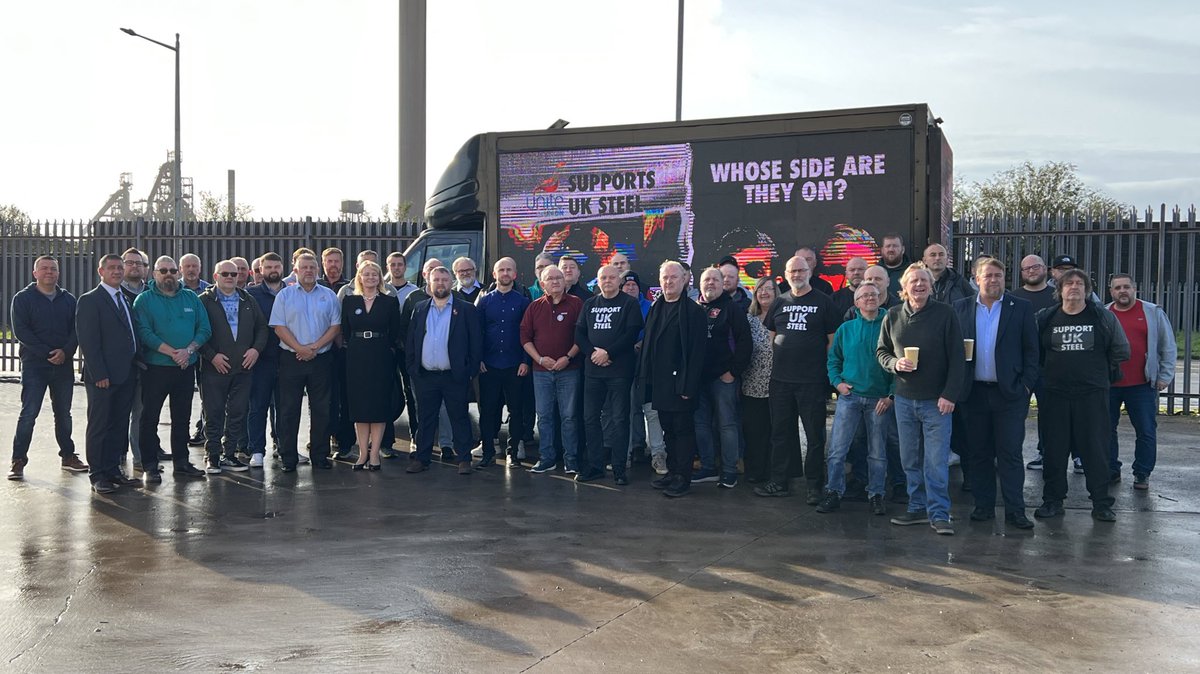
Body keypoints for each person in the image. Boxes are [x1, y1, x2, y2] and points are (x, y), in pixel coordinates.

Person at [1034, 269, 1129, 522]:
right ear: (1060, 290)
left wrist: (1098, 372)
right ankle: (1052, 501)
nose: (1074, 287)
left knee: (1095, 450)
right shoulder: (1045, 317)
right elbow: (1036, 352)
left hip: (1092, 395)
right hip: (1055, 395)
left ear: (1087, 290)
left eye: (1079, 283)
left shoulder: (1102, 317)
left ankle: (1101, 504)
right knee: (1054, 451)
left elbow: (1121, 350)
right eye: (1069, 283)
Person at [877, 263, 965, 535]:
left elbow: (958, 358)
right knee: (910, 460)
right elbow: (882, 351)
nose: (919, 285)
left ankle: (939, 513)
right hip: (904, 400)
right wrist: (895, 364)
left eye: (923, 280)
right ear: (903, 287)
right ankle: (916, 507)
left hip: (937, 402)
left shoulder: (945, 314)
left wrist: (949, 394)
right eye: (913, 281)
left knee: (936, 462)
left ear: (931, 285)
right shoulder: (893, 315)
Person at [952, 257, 1039, 529]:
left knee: (1010, 453)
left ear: (1004, 279)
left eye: (998, 275)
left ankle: (1015, 511)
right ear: (977, 279)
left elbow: (1032, 351)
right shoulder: (960, 308)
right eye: (988, 275)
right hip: (974, 393)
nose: (993, 280)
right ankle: (983, 506)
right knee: (978, 453)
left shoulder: (1021, 308)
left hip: (1010, 394)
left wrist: (1026, 386)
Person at [755, 255, 840, 502]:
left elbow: (832, 342)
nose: (797, 275)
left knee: (815, 436)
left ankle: (814, 486)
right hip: (781, 380)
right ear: (786, 274)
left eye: (801, 270)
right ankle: (779, 482)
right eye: (792, 271)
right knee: (780, 433)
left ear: (809, 272)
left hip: (811, 381)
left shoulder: (824, 302)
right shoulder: (779, 302)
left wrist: (825, 373)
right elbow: (772, 335)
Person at [133, 256, 213, 482]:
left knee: (182, 418)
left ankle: (182, 463)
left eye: (172, 270)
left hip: (185, 368)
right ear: (154, 274)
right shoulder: (144, 300)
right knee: (149, 418)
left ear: (178, 273)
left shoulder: (191, 297)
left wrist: (188, 351)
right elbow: (144, 332)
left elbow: (204, 328)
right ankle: (149, 465)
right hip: (155, 368)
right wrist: (173, 353)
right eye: (163, 270)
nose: (168, 274)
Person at [818, 283, 893, 516]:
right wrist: (837, 383)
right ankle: (833, 492)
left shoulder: (891, 325)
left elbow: (899, 362)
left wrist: (890, 394)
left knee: (877, 452)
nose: (870, 298)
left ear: (881, 298)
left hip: (879, 400)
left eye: (874, 294)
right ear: (856, 302)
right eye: (864, 295)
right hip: (850, 397)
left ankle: (876, 494)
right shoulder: (846, 329)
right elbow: (833, 360)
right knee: (837, 449)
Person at [9, 256, 87, 480]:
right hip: (34, 365)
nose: (49, 272)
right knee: (29, 413)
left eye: (53, 269)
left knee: (64, 414)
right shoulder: (22, 299)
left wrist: (66, 351)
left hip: (63, 365)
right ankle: (18, 460)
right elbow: (21, 332)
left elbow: (76, 330)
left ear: (58, 273)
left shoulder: (68, 299)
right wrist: (47, 353)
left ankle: (68, 456)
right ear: (35, 273)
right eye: (44, 268)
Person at [638, 261, 707, 498]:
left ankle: (682, 477)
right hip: (659, 383)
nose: (668, 281)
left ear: (684, 279)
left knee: (682, 430)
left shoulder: (694, 312)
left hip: (681, 383)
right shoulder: (656, 308)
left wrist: (689, 385)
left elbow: (697, 353)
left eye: (673, 277)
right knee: (667, 429)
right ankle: (672, 471)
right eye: (665, 277)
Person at [76, 254, 143, 494]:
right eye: (112, 268)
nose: (117, 271)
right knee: (100, 425)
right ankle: (98, 475)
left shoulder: (124, 298)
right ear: (101, 271)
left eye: (119, 268)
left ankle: (114, 470)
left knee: (118, 424)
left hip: (126, 374)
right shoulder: (90, 300)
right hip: (103, 377)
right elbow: (88, 341)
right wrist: (99, 373)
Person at [405, 266, 482, 475]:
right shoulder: (420, 308)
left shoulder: (465, 309)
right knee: (425, 418)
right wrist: (412, 367)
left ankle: (464, 459)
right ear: (429, 283)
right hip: (426, 376)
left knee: (459, 417)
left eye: (444, 280)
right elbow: (412, 340)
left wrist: (469, 371)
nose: (440, 283)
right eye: (436, 280)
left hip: (454, 376)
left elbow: (476, 343)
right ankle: (422, 458)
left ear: (451, 283)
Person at [270, 253, 342, 471]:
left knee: (322, 409)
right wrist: (300, 348)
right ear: (295, 270)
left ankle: (319, 456)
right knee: (288, 410)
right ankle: (288, 458)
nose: (309, 271)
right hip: (291, 359)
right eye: (304, 267)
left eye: (312, 267)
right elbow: (278, 327)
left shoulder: (329, 295)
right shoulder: (284, 295)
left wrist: (315, 347)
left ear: (318, 270)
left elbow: (335, 326)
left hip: (321, 359)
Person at [576, 264, 644, 484]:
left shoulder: (630, 304)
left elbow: (631, 333)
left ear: (619, 281)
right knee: (590, 418)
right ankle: (595, 466)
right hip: (593, 371)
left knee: (619, 419)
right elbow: (579, 334)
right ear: (598, 281)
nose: (607, 281)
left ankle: (619, 469)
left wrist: (608, 353)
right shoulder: (590, 304)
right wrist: (593, 353)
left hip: (619, 372)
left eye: (611, 277)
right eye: (603, 277)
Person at [1106, 274, 1176, 490]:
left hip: (1142, 385)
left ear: (1134, 289)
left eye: (1126, 287)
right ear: (1111, 291)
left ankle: (1142, 473)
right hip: (1109, 384)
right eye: (1118, 287)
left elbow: (1167, 345)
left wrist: (1165, 376)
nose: (1122, 291)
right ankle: (1111, 470)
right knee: (1105, 430)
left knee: (1146, 430)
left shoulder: (1152, 312)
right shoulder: (1104, 313)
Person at [197, 260, 267, 474]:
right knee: (214, 413)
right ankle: (213, 456)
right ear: (215, 276)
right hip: (214, 369)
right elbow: (196, 331)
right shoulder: (204, 301)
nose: (229, 277)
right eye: (225, 274)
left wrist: (255, 350)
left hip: (243, 369)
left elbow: (262, 328)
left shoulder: (248, 299)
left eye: (233, 274)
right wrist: (211, 356)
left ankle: (229, 454)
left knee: (238, 413)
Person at [520, 266, 583, 474]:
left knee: (569, 417)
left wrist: (568, 357)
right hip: (541, 372)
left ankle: (571, 460)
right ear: (542, 284)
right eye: (550, 278)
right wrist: (539, 359)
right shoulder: (534, 307)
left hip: (569, 370)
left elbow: (582, 336)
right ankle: (546, 458)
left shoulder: (576, 304)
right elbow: (525, 338)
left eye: (559, 278)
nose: (555, 281)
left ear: (565, 282)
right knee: (544, 416)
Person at [693, 267, 751, 488]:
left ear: (722, 283)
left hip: (723, 378)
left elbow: (745, 342)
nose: (710, 283)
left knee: (727, 424)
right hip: (698, 379)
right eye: (706, 279)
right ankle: (708, 467)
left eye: (715, 280)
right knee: (701, 424)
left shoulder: (732, 308)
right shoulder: (695, 308)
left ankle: (729, 470)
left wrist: (733, 372)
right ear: (700, 284)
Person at [341, 260, 402, 470]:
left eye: (374, 274)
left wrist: (385, 348)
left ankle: (374, 454)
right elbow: (345, 330)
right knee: (359, 406)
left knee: (378, 405)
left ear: (380, 278)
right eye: (366, 274)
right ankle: (362, 454)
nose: (370, 277)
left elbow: (394, 331)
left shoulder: (389, 302)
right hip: (356, 356)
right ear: (359, 277)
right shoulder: (349, 301)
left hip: (380, 356)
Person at [474, 257, 531, 468]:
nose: (505, 273)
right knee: (488, 410)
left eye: (509, 270)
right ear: (494, 274)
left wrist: (525, 361)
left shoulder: (523, 302)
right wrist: (479, 359)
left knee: (516, 411)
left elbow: (528, 334)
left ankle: (513, 453)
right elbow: (477, 333)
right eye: (501, 270)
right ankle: (488, 452)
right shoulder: (484, 301)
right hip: (489, 365)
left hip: (515, 365)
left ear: (515, 274)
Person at [1011, 254, 1057, 471]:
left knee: (1049, 415)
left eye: (1035, 267)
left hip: (1050, 366)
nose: (1031, 271)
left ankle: (1046, 454)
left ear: (1045, 269)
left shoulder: (1056, 296)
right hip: (1020, 367)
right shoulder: (1013, 297)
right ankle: (1010, 456)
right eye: (1026, 268)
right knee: (1015, 415)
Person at [623, 271, 667, 474]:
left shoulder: (651, 306)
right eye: (627, 285)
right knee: (629, 409)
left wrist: (641, 344)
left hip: (648, 366)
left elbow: (655, 332)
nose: (630, 288)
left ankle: (658, 454)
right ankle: (630, 450)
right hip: (624, 365)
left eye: (634, 285)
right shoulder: (618, 305)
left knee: (651, 410)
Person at [245, 252, 286, 467]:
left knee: (285, 407)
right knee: (258, 406)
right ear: (261, 269)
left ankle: (285, 447)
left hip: (288, 358)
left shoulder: (291, 292)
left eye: (276, 266)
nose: (273, 270)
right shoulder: (251, 295)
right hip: (261, 359)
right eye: (268, 267)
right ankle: (257, 450)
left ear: (282, 268)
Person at [120, 247, 155, 469]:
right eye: (130, 262)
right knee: (118, 413)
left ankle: (140, 458)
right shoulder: (114, 292)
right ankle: (117, 457)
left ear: (146, 268)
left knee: (141, 413)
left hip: (147, 363)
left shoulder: (152, 294)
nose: (134, 266)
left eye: (139, 263)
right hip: (120, 365)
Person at [740, 277, 777, 485]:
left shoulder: (783, 317)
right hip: (752, 384)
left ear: (776, 293)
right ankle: (755, 470)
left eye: (769, 289)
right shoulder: (748, 319)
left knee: (775, 430)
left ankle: (775, 472)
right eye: (760, 289)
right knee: (754, 430)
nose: (764, 293)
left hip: (778, 384)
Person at [179, 253, 209, 448]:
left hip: (204, 351)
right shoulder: (174, 289)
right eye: (187, 266)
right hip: (180, 353)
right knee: (182, 397)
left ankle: (203, 430)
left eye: (194, 266)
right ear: (181, 269)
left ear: (200, 268)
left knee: (206, 394)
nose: (191, 270)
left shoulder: (209, 290)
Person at [879, 233, 910, 298]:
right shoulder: (875, 272)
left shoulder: (912, 272)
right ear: (882, 250)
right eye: (888, 246)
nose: (891, 249)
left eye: (895, 246)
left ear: (903, 249)